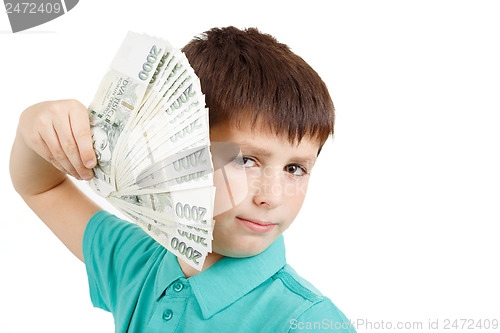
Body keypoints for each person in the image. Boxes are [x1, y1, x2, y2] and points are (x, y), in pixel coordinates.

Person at [10, 26, 356, 332]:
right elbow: (42, 186)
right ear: (175, 150)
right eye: (245, 160)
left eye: (295, 168)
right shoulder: (137, 260)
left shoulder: (309, 322)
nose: (273, 196)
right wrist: (31, 128)